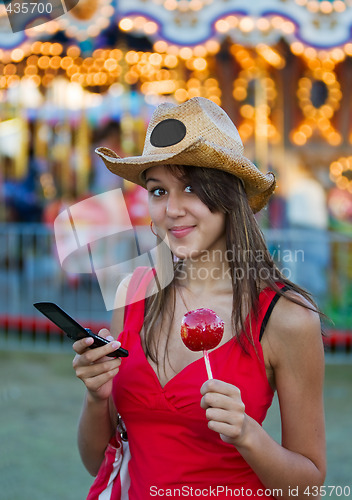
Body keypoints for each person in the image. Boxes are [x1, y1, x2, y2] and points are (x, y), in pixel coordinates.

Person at [72, 97, 326, 499]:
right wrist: (96, 396)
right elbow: (96, 461)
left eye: (190, 187)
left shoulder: (286, 318)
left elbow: (309, 486)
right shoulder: (134, 293)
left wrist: (248, 435)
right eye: (158, 190)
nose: (172, 209)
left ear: (228, 197)